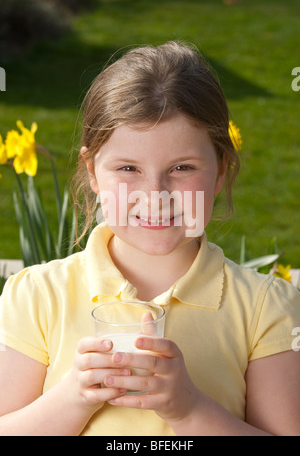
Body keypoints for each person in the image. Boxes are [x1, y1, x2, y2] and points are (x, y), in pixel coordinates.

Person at [1, 41, 300, 436]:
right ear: (92, 172)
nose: (155, 195)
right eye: (128, 168)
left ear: (221, 171)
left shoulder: (266, 308)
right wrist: (74, 396)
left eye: (181, 167)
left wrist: (189, 409)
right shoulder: (36, 296)